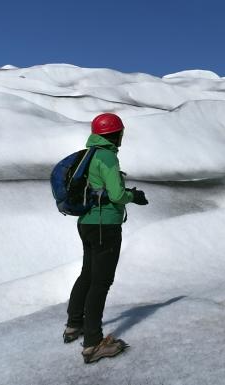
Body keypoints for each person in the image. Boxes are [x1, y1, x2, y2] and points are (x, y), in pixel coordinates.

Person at [62, 113, 148, 364]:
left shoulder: (87, 155)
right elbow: (117, 194)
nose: (122, 136)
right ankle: (93, 344)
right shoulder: (107, 156)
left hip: (87, 222)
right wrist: (135, 196)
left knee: (87, 274)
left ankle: (73, 325)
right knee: (101, 282)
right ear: (114, 134)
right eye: (120, 132)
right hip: (105, 224)